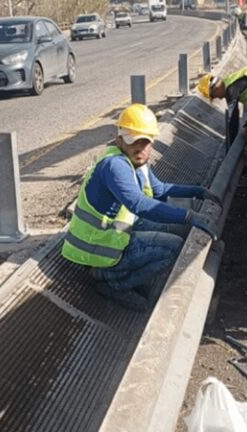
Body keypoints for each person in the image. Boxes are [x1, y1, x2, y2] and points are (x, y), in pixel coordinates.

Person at [62, 104, 219, 311]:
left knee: (178, 230)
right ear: (120, 140)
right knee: (172, 246)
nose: (141, 147)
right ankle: (112, 283)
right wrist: (189, 216)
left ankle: (124, 275)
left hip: (115, 234)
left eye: (146, 142)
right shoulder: (114, 165)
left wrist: (197, 191)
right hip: (97, 249)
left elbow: (160, 189)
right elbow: (139, 204)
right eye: (135, 141)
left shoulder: (136, 161)